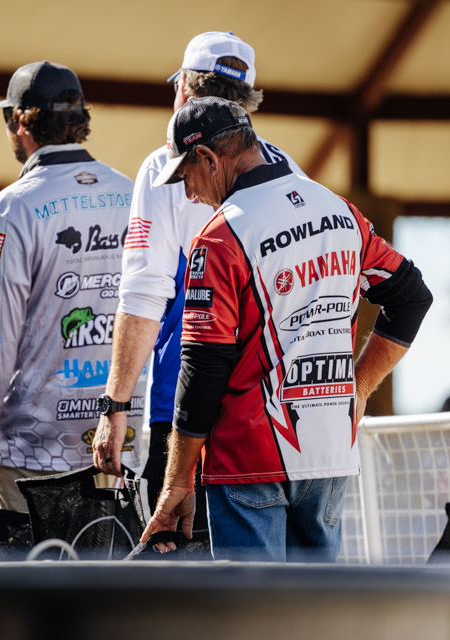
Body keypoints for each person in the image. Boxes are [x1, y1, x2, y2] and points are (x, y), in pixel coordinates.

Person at [139, 96, 432, 561]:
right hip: (329, 453)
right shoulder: (341, 212)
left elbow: (202, 370)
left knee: (255, 605)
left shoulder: (219, 237)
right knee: (316, 603)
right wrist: (358, 388)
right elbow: (412, 297)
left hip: (248, 461)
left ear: (209, 159)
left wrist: (177, 481)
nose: (188, 194)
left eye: (185, 176)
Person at [92, 32, 307, 524]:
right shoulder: (288, 168)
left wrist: (115, 405)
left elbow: (144, 294)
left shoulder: (164, 166)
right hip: (279, 414)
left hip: (186, 410)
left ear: (185, 90)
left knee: (176, 560)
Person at [0, 61, 146, 517]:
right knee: (109, 567)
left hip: (34, 452)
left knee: (34, 567)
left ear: (20, 122)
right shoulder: (132, 195)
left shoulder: (11, 209)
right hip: (121, 444)